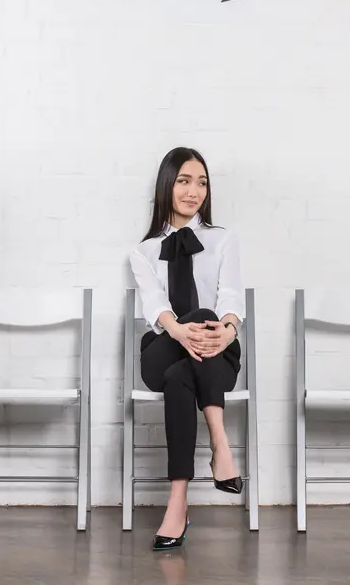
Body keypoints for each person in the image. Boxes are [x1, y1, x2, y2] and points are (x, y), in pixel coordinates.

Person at [129, 147, 246, 551]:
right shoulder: (143, 251)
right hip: (163, 347)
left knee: (182, 375)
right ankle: (220, 442)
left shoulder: (222, 240)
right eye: (184, 180)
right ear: (167, 185)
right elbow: (155, 307)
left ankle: (176, 504)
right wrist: (181, 330)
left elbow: (231, 296)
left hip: (217, 349)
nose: (194, 191)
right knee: (196, 316)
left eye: (202, 182)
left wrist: (228, 332)